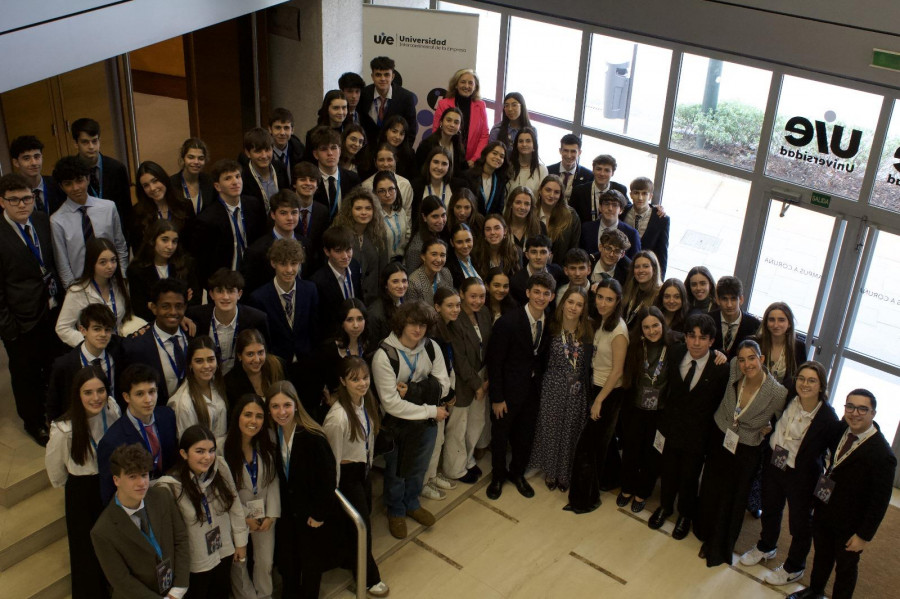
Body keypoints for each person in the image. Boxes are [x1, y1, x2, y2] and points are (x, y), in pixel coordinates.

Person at [787, 389, 896, 599]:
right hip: (825, 509)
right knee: (821, 556)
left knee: (845, 568)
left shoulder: (883, 455)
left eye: (862, 409)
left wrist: (863, 536)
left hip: (851, 523)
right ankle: (815, 591)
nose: (855, 413)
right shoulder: (842, 429)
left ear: (873, 413)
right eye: (850, 407)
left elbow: (879, 502)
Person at [738, 361, 838, 586]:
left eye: (812, 380)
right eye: (801, 379)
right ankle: (767, 546)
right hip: (775, 462)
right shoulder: (789, 398)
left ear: (821, 386)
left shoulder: (828, 419)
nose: (805, 384)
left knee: (800, 522)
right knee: (771, 508)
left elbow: (834, 455)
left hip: (802, 475)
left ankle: (795, 566)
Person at [695, 339, 788, 567]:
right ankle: (703, 530)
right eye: (743, 359)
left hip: (747, 446)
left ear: (761, 359)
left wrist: (769, 428)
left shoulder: (777, 392)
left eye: (752, 358)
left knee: (733, 496)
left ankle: (719, 544)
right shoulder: (735, 365)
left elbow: (782, 419)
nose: (747, 364)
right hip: (721, 434)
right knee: (711, 485)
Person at [372, 301, 451, 539]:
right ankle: (395, 510)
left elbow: (444, 386)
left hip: (425, 420)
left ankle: (412, 504)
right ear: (401, 323)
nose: (418, 330)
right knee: (397, 471)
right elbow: (392, 404)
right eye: (413, 324)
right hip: (399, 424)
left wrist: (413, 391)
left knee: (419, 467)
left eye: (423, 325)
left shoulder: (431, 347)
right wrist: (429, 408)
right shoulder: (384, 356)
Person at [649, 313, 730, 538]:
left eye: (702, 338)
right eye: (691, 336)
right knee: (669, 470)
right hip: (671, 426)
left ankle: (685, 514)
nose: (696, 342)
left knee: (690, 476)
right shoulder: (675, 353)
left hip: (698, 433)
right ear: (685, 337)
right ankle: (665, 506)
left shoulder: (720, 367)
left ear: (712, 341)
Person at [0, 172, 66, 444]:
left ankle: (54, 411)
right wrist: (9, 328)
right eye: (14, 200)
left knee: (52, 364)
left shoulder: (41, 221)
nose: (22, 204)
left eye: (26, 198)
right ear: (2, 202)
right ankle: (33, 421)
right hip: (20, 318)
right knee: (25, 373)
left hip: (51, 309)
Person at [45, 365, 120, 598]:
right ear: (77, 394)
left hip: (111, 483)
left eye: (100, 390)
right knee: (86, 553)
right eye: (88, 392)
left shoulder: (112, 409)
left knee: (114, 544)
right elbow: (56, 473)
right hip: (82, 492)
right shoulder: (63, 429)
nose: (96, 398)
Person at [322, 357, 390, 597]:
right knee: (363, 528)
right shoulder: (337, 418)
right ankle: (370, 577)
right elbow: (333, 459)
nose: (362, 383)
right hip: (346, 477)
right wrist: (335, 492)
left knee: (361, 522)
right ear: (342, 381)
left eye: (365, 378)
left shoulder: (367, 402)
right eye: (355, 379)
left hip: (363, 469)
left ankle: (352, 560)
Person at [486, 272, 556, 500]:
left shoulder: (551, 323)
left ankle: (517, 473)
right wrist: (497, 398)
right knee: (500, 437)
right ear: (527, 293)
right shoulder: (508, 322)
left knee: (524, 437)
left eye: (546, 293)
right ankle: (497, 477)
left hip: (532, 393)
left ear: (552, 296)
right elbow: (494, 363)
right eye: (536, 292)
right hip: (506, 393)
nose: (540, 297)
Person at [156, 425, 248, 597]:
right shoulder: (170, 485)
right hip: (196, 561)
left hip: (224, 549)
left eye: (211, 450)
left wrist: (241, 542)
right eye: (200, 451)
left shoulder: (220, 466)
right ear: (184, 454)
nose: (207, 457)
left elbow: (235, 504)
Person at [267, 381, 339, 598]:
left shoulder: (313, 436)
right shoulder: (271, 437)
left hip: (310, 516)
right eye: (275, 406)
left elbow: (328, 479)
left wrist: (319, 514)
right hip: (286, 515)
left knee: (310, 566)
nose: (282, 412)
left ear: (296, 405)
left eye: (287, 405)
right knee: (289, 564)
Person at [91, 444, 190, 599]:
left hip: (174, 592)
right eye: (132, 477)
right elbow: (121, 581)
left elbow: (181, 538)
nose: (142, 483)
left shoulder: (162, 496)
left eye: (144, 475)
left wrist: (179, 588)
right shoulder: (103, 531)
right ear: (116, 480)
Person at [566, 278, 628, 513]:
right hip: (597, 387)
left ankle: (585, 500)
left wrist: (599, 401)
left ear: (618, 301)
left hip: (608, 393)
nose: (603, 303)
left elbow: (618, 371)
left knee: (587, 448)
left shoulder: (619, 331)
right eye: (600, 297)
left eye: (609, 299)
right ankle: (607, 481)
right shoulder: (604, 322)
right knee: (601, 444)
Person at [528, 287, 594, 492]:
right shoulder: (550, 327)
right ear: (563, 303)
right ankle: (550, 471)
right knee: (550, 430)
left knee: (569, 432)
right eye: (570, 302)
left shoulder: (588, 330)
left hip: (576, 391)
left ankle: (564, 474)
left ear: (584, 309)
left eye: (579, 304)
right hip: (552, 387)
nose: (573, 307)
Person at [223, 394, 281, 599]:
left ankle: (265, 595)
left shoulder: (268, 441)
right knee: (239, 562)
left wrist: (272, 515)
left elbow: (273, 480)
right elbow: (224, 492)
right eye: (247, 415)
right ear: (237, 416)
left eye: (258, 416)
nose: (253, 421)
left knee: (265, 562)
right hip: (236, 516)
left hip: (264, 514)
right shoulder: (221, 448)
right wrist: (243, 517)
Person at [97, 363, 178, 503]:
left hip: (171, 495)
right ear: (127, 397)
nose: (148, 400)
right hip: (139, 504)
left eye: (152, 392)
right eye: (140, 394)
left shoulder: (167, 416)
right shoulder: (112, 441)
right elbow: (109, 493)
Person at [617, 306, 670, 514]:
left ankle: (642, 493)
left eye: (655, 325)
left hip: (661, 412)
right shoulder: (635, 346)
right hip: (635, 409)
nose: (652, 331)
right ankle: (628, 488)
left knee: (652, 454)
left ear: (662, 324)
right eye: (646, 327)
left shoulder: (674, 346)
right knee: (631, 450)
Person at [185, 159, 268, 286]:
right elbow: (202, 261)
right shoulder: (207, 219)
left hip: (253, 276)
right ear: (217, 186)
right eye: (228, 178)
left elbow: (262, 240)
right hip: (223, 281)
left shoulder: (254, 205)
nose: (235, 182)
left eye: (237, 176)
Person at [50, 155, 129, 289]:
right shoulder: (57, 220)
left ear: (87, 179)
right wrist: (73, 291)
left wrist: (123, 278)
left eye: (79, 180)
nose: (75, 188)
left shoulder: (108, 208)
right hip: (81, 285)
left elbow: (120, 246)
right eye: (68, 184)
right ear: (61, 186)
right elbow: (62, 264)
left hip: (113, 280)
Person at [445, 277, 492, 484]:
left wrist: (486, 379)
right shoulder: (455, 319)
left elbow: (490, 347)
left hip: (482, 375)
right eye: (473, 296)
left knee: (476, 422)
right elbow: (460, 359)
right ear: (461, 294)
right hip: (464, 380)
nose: (478, 301)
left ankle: (468, 458)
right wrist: (477, 385)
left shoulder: (484, 313)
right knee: (458, 425)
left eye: (481, 296)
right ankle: (455, 468)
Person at [248, 238, 319, 366]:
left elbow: (314, 330)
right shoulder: (259, 298)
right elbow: (262, 339)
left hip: (307, 363)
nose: (289, 269)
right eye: (283, 264)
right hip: (276, 365)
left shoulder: (310, 290)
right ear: (273, 263)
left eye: (294, 263)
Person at [120, 278, 192, 405]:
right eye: (165, 306)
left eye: (178, 306)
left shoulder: (192, 333)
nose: (173, 312)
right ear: (153, 308)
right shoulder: (137, 346)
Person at [186, 268, 269, 376]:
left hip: (241, 380)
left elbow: (266, 353)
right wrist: (182, 318)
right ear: (211, 294)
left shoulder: (256, 319)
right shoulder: (194, 315)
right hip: (206, 377)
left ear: (239, 294)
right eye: (220, 291)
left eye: (230, 291)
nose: (225, 297)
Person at [47, 304, 121, 421]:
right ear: (83, 330)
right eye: (97, 329)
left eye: (107, 330)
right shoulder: (64, 365)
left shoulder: (119, 352)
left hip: (114, 418)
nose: (103, 334)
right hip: (81, 423)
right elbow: (54, 405)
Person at [56, 237, 135, 346]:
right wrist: (88, 343)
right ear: (92, 263)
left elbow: (123, 319)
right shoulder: (77, 291)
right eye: (103, 262)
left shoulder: (119, 285)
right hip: (94, 351)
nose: (110, 266)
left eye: (113, 260)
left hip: (118, 345)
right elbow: (62, 328)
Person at [421, 288, 461, 500]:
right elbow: (436, 372)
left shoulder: (447, 328)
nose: (455, 310)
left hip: (444, 393)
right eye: (450, 305)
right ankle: (424, 483)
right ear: (437, 307)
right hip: (435, 396)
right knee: (432, 441)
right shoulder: (433, 335)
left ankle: (433, 475)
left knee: (440, 439)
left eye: (457, 305)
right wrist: (446, 395)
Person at [127, 219, 201, 323]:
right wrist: (180, 302)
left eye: (174, 241)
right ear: (152, 240)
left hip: (184, 322)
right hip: (152, 325)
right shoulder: (137, 270)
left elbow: (195, 301)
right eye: (164, 240)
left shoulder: (186, 264)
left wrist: (159, 305)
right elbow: (141, 309)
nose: (170, 246)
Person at [70, 117, 133, 234]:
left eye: (94, 141)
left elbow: (126, 209)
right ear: (75, 143)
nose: (91, 147)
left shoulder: (117, 168)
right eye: (85, 142)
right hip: (86, 234)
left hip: (116, 232)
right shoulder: (70, 172)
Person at [168, 336, 228, 448]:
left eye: (211, 359)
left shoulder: (216, 383)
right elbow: (189, 447)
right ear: (190, 364)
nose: (206, 366)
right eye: (199, 361)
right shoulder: (184, 403)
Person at [331, 188, 389, 303]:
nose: (364, 212)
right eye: (358, 208)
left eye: (368, 208)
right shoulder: (339, 234)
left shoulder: (379, 234)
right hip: (347, 298)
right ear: (350, 210)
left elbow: (383, 268)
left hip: (373, 299)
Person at [315, 299, 371, 410]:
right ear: (342, 323)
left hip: (364, 402)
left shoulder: (369, 346)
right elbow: (320, 382)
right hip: (338, 406)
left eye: (360, 319)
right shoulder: (329, 349)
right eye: (350, 320)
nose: (356, 325)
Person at [309, 226, 363, 337]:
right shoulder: (317, 282)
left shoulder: (355, 266)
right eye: (338, 251)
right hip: (333, 337)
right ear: (327, 251)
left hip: (357, 331)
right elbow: (319, 321)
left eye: (348, 249)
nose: (345, 256)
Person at [130, 161, 194, 250]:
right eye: (146, 185)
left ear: (164, 179)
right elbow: (138, 249)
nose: (152, 188)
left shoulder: (184, 205)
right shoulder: (138, 212)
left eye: (155, 181)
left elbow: (192, 242)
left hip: (182, 261)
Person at [432, 68, 490, 166]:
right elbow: (436, 131)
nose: (466, 86)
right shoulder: (443, 104)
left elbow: (484, 135)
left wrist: (474, 159)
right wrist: (443, 157)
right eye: (463, 82)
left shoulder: (481, 106)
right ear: (456, 84)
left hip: (471, 162)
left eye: (470, 83)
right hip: (446, 160)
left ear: (475, 87)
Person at [358, 56, 419, 142]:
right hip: (368, 150)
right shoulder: (363, 94)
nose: (383, 79)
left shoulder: (406, 97)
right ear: (372, 76)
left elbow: (411, 131)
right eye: (378, 75)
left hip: (395, 151)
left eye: (387, 75)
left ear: (393, 76)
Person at [224, 329, 286, 412]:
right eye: (250, 354)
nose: (257, 359)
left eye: (260, 353)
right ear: (239, 356)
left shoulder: (277, 366)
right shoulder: (229, 383)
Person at [308, 126, 362, 221]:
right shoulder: (309, 180)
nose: (330, 153)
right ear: (316, 154)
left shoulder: (353, 179)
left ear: (340, 151)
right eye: (324, 149)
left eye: (333, 148)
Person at [622, 177, 670, 276]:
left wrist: (660, 279)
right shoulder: (622, 212)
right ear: (631, 195)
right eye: (636, 193)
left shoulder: (661, 219)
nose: (640, 198)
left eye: (644, 193)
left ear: (650, 196)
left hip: (646, 271)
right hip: (623, 268)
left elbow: (662, 253)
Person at [755, 301, 808, 390]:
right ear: (766, 323)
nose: (776, 325)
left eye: (781, 320)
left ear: (789, 324)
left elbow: (799, 379)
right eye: (771, 320)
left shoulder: (799, 347)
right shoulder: (755, 343)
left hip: (783, 398)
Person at [9, 135, 64, 214]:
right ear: (16, 162)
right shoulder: (11, 193)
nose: (34, 163)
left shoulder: (57, 184)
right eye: (26, 158)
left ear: (42, 158)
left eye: (37, 157)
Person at [359, 144, 415, 222]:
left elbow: (407, 215)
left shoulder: (405, 185)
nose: (385, 164)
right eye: (381, 160)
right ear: (375, 162)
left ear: (395, 160)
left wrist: (407, 234)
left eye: (389, 159)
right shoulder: (366, 186)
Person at [579, 189, 641, 259]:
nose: (610, 208)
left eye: (615, 205)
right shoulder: (586, 229)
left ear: (621, 210)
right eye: (606, 204)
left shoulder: (632, 234)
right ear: (600, 207)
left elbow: (635, 263)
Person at [291, 161, 330, 269]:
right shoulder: (284, 209)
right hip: (289, 264)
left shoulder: (322, 211)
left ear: (317, 185)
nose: (308, 183)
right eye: (303, 179)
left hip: (314, 267)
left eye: (312, 180)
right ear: (294, 183)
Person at [711, 275, 760, 358]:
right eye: (724, 299)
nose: (729, 305)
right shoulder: (709, 320)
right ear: (718, 300)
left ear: (741, 300)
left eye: (733, 299)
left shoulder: (754, 325)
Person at [570, 154, 629, 224]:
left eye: (607, 170)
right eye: (599, 169)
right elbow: (572, 217)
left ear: (612, 173)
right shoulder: (579, 191)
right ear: (593, 170)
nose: (602, 174)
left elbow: (627, 212)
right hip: (586, 233)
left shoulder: (620, 190)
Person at [509, 234, 566, 306]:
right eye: (534, 252)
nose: (538, 257)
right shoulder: (516, 281)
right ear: (527, 255)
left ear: (549, 255)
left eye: (543, 252)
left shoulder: (557, 272)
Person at [538, 174, 581, 264]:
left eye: (556, 192)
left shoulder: (571, 216)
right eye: (548, 190)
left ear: (561, 195)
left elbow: (574, 247)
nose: (551, 195)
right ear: (540, 190)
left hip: (561, 269)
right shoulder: (531, 212)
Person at [411, 146, 465, 217]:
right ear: (429, 163)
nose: (439, 167)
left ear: (449, 167)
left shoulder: (458, 186)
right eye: (436, 162)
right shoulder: (416, 186)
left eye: (444, 164)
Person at [241, 127, 286, 212]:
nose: (264, 156)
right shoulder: (243, 177)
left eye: (267, 150)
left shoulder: (280, 168)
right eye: (258, 151)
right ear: (248, 153)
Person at [171, 137, 217, 215]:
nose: (196, 162)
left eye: (201, 158)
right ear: (183, 158)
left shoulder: (210, 182)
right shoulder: (171, 183)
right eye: (191, 157)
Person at [416, 107, 466, 177]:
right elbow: (417, 171)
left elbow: (460, 174)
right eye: (448, 120)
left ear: (460, 127)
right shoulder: (426, 145)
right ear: (441, 122)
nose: (452, 125)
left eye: (456, 122)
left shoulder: (459, 149)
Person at [366, 262, 408, 345]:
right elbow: (373, 347)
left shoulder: (406, 302)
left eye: (404, 281)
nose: (401, 286)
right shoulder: (375, 313)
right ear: (385, 284)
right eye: (395, 281)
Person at [462, 141, 509, 215]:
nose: (497, 158)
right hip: (470, 222)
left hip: (489, 224)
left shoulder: (500, 181)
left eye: (501, 156)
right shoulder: (469, 176)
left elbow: (499, 209)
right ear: (486, 153)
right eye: (494, 153)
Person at [404, 195, 449, 273]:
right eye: (435, 216)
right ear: (424, 217)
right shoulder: (417, 248)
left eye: (443, 215)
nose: (441, 221)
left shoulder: (440, 234)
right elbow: (411, 278)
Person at [373, 170, 410, 262]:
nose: (387, 195)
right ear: (375, 193)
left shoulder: (401, 211)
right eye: (382, 191)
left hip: (401, 262)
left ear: (396, 189)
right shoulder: (373, 216)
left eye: (391, 189)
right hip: (381, 265)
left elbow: (407, 236)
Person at [621, 250, 663, 327]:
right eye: (637, 267)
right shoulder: (630, 288)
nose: (640, 270)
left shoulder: (660, 294)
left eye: (646, 266)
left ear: (654, 269)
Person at [407, 237, 454, 305]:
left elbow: (451, 302)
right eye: (434, 254)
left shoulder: (446, 273)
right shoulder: (413, 282)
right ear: (423, 256)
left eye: (442, 255)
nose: (439, 260)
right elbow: (413, 313)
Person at [267, 107, 307, 187]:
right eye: (278, 128)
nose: (282, 133)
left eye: (286, 128)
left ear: (292, 130)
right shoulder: (263, 153)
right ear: (270, 129)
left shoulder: (300, 152)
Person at [369, 114, 417, 180]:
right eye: (394, 131)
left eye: (401, 134)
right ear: (386, 131)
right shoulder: (374, 149)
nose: (397, 137)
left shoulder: (409, 154)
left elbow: (413, 178)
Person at [547, 134, 593, 202]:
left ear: (579, 153)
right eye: (566, 150)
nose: (569, 156)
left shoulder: (588, 176)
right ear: (560, 151)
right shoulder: (548, 171)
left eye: (573, 151)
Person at [475, 213, 521, 278]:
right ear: (484, 233)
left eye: (497, 228)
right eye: (488, 229)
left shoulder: (515, 252)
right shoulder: (477, 253)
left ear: (505, 231)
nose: (492, 232)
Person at [506, 127, 548, 197]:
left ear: (534, 145)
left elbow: (543, 198)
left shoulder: (542, 170)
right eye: (521, 141)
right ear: (516, 145)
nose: (524, 144)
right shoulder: (509, 167)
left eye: (528, 141)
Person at [503, 185, 546, 252]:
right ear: (511, 204)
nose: (522, 207)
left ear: (531, 207)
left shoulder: (540, 227)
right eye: (518, 202)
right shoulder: (501, 227)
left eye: (527, 204)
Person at [590, 228, 632, 293]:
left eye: (617, 251)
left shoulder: (626, 275)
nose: (611, 254)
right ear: (600, 247)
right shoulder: (587, 263)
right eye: (608, 248)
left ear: (622, 254)